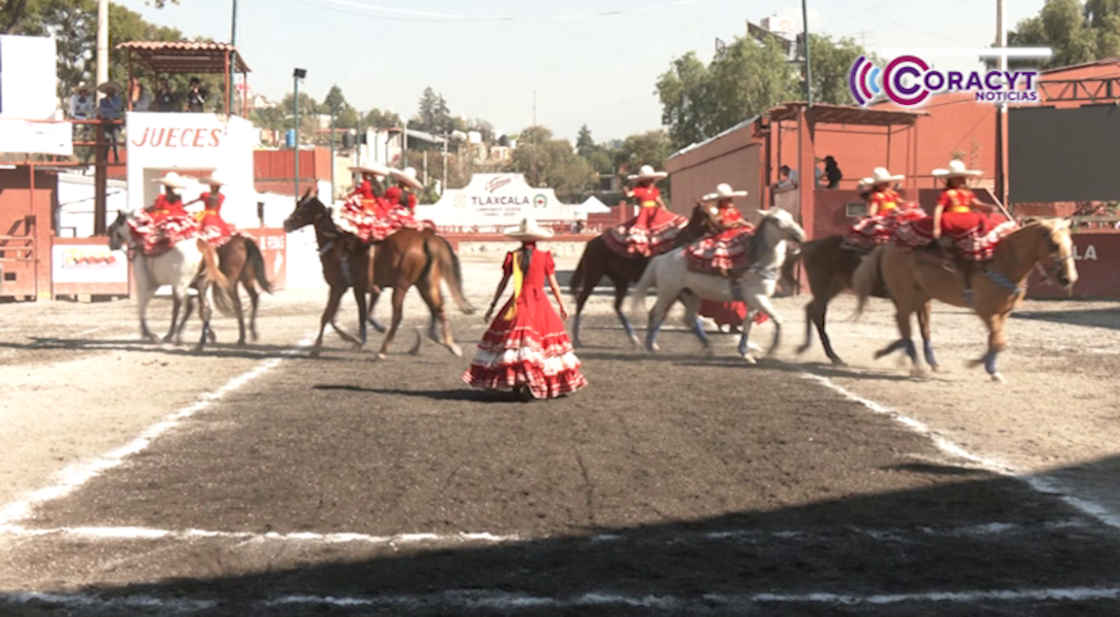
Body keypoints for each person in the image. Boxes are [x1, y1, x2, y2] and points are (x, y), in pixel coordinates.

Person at [462, 217, 587, 400]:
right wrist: (561, 305)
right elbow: (553, 285)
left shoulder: (513, 257)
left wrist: (493, 305)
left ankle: (518, 381)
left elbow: (503, 284)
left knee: (515, 343)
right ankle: (537, 380)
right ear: (536, 239)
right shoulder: (544, 256)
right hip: (539, 303)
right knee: (542, 343)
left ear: (520, 239)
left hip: (518, 302)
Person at [929, 159, 997, 300]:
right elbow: (938, 209)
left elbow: (977, 204)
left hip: (968, 219)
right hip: (954, 220)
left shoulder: (967, 193)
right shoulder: (948, 194)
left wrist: (988, 207)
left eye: (962, 177)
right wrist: (936, 227)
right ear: (951, 180)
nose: (961, 179)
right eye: (958, 177)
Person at [603, 164, 688, 257]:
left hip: (655, 212)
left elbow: (659, 200)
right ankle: (644, 249)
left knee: (663, 227)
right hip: (644, 212)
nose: (651, 182)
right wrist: (626, 191)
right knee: (642, 230)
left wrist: (664, 208)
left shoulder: (655, 190)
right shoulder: (639, 190)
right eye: (648, 179)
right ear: (643, 181)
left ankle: (658, 247)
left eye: (651, 179)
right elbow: (630, 194)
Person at [684, 183, 755, 280]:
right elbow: (723, 225)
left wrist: (747, 224)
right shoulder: (718, 211)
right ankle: (729, 271)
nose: (731, 201)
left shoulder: (733, 210)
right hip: (726, 234)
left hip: (737, 230)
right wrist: (737, 223)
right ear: (722, 201)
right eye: (728, 199)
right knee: (726, 249)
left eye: (731, 198)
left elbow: (740, 219)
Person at [843, 167, 924, 251]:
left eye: (886, 183)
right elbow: (873, 210)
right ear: (877, 185)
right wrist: (872, 216)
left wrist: (908, 204)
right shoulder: (877, 196)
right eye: (883, 183)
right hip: (884, 218)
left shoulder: (892, 193)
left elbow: (900, 202)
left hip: (895, 216)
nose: (885, 185)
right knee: (880, 230)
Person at [129, 172, 198, 255]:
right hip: (178, 215)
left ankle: (147, 254)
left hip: (162, 218)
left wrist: (144, 210)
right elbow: (180, 208)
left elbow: (154, 207)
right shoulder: (178, 197)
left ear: (166, 186)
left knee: (146, 234)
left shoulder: (162, 197)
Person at [186, 171, 235, 247]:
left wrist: (185, 204)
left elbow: (194, 201)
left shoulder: (207, 195)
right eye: (210, 185)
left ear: (215, 186)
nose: (210, 186)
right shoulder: (220, 196)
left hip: (208, 217)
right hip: (214, 217)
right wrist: (185, 204)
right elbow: (194, 201)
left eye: (212, 185)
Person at [96, 82, 123, 163]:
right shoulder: (102, 100)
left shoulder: (118, 99)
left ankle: (116, 157)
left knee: (115, 138)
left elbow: (118, 108)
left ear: (113, 91)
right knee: (106, 139)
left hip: (115, 122)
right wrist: (110, 111)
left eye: (110, 90)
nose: (109, 91)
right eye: (107, 90)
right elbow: (102, 110)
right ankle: (105, 158)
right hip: (107, 121)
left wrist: (110, 103)